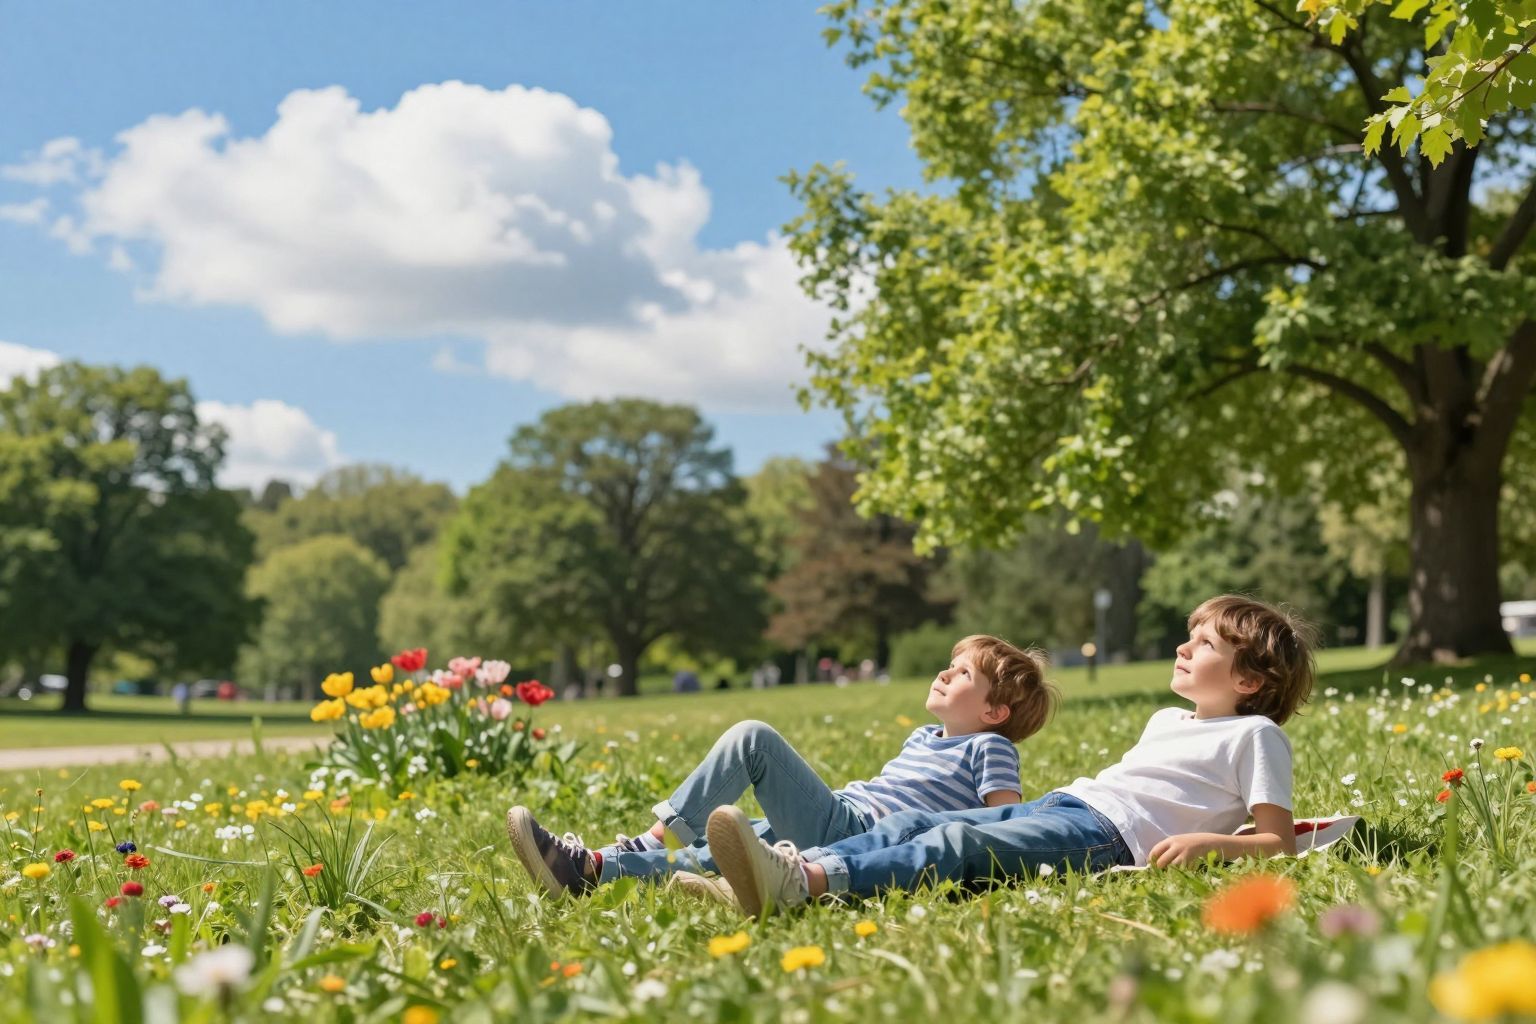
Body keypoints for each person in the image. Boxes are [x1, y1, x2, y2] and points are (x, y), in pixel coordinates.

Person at [706, 594, 1316, 918]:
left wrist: (1210, 845)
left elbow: (1278, 843)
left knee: (957, 849)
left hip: (1107, 836)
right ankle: (774, 872)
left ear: (1250, 681)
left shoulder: (1255, 737)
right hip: (1071, 805)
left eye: (1205, 642)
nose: (1184, 645)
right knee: (915, 825)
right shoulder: (1168, 719)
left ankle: (804, 881)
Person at [504, 635, 1059, 899]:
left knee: (754, 741)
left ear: (994, 711)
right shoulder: (924, 736)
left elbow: (1003, 828)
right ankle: (590, 869)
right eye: (950, 663)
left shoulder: (990, 750)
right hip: (844, 815)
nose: (944, 672)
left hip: (858, 835)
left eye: (962, 674)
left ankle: (647, 843)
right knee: (713, 851)